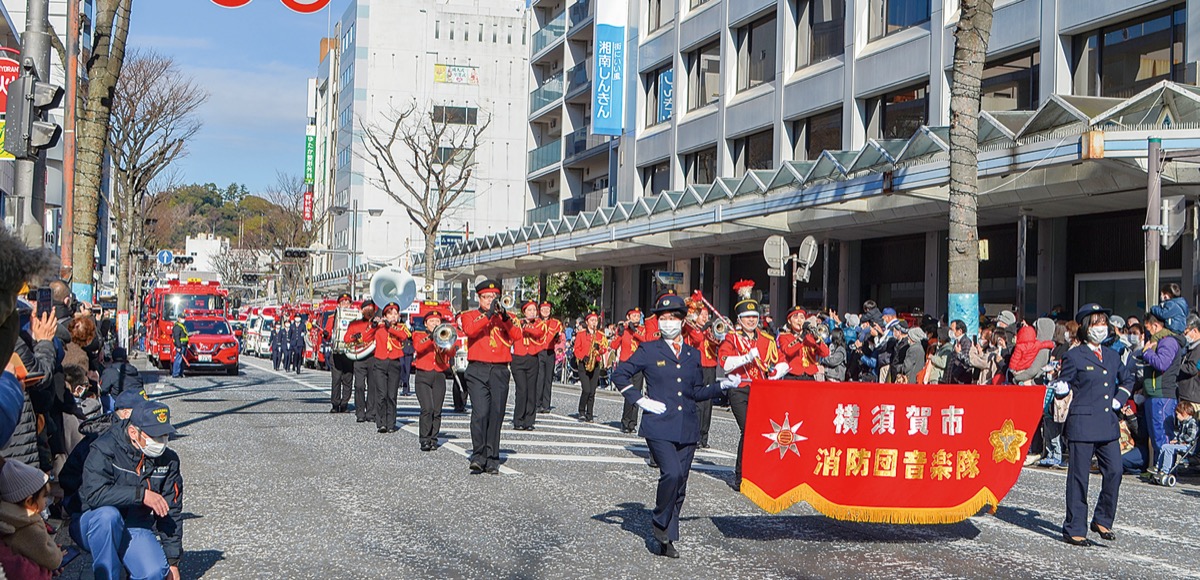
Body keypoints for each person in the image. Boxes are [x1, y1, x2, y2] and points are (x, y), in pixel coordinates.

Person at [611, 293, 741, 558]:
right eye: (663, 318)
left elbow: (695, 391)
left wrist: (722, 386)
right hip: (659, 425)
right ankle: (660, 521)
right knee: (670, 473)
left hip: (687, 426)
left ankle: (667, 538)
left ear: (682, 321)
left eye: (672, 317)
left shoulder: (693, 354)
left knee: (680, 484)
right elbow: (619, 374)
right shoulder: (649, 350)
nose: (667, 322)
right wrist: (640, 400)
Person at [1051, 303, 1133, 547]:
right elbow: (1064, 383)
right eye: (1097, 323)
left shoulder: (1112, 355)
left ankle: (1102, 519)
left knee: (1115, 471)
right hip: (1083, 423)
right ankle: (1075, 528)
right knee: (1079, 478)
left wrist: (1120, 399)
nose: (1101, 327)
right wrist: (1061, 389)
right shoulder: (1074, 355)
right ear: (1086, 327)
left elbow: (1128, 378)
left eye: (1104, 323)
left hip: (1107, 422)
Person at [79, 401, 183, 580]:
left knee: (155, 572)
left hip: (135, 523)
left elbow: (171, 511)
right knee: (108, 517)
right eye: (155, 436)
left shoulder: (168, 460)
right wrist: (141, 495)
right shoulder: (104, 448)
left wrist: (173, 561)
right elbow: (94, 495)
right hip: (95, 521)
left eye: (165, 435)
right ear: (133, 432)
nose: (161, 442)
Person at [718, 280, 780, 491]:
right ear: (739, 319)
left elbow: (779, 363)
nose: (751, 320)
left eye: (754, 316)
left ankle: (758, 472)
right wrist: (746, 357)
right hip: (739, 389)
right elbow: (725, 363)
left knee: (762, 431)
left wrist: (776, 373)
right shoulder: (732, 338)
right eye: (747, 317)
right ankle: (741, 475)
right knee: (748, 429)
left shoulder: (766, 339)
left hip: (761, 390)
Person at [459, 280, 522, 474]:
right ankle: (478, 455)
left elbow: (517, 336)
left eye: (493, 297)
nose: (490, 300)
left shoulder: (508, 317)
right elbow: (470, 330)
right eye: (486, 297)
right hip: (477, 369)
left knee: (496, 414)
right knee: (480, 413)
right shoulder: (469, 315)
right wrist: (488, 315)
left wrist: (503, 317)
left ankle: (493, 457)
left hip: (500, 370)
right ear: (479, 298)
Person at [0, 458, 61, 579]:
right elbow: (53, 560)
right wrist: (58, 553)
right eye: (44, 496)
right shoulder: (29, 526)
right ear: (29, 501)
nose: (46, 501)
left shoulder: (8, 518)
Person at [1138, 311, 1183, 470]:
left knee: (1162, 435)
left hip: (1163, 394)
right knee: (1155, 435)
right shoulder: (1157, 341)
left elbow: (1162, 363)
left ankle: (1166, 470)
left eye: (1148, 328)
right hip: (1153, 393)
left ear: (1156, 325)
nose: (1147, 333)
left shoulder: (1168, 341)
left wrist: (1147, 352)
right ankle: (1159, 468)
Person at [411, 308, 457, 451]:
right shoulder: (418, 334)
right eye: (432, 321)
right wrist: (431, 337)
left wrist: (447, 341)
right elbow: (418, 347)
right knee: (427, 408)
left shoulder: (444, 335)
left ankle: (433, 438)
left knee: (437, 410)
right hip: (423, 375)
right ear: (426, 324)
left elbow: (451, 352)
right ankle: (424, 438)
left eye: (437, 321)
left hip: (439, 374)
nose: (435, 323)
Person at [683, 291, 719, 448]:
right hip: (696, 366)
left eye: (706, 315)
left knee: (707, 403)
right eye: (702, 315)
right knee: (697, 402)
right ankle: (695, 434)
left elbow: (718, 342)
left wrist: (714, 331)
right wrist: (701, 328)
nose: (705, 318)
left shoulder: (710, 329)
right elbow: (697, 339)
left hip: (710, 366)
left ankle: (704, 436)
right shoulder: (690, 327)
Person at [370, 303, 410, 434]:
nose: (393, 316)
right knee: (381, 394)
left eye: (395, 314)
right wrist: (373, 325)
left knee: (392, 395)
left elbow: (404, 336)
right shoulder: (379, 327)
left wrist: (390, 328)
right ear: (384, 316)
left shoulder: (401, 327)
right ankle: (381, 422)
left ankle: (391, 423)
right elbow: (366, 337)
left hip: (394, 362)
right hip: (380, 362)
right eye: (390, 314)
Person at [510, 301, 546, 431]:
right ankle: (518, 419)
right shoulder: (517, 322)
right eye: (529, 310)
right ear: (524, 312)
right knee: (522, 390)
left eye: (534, 310)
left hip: (532, 358)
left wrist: (526, 326)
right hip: (518, 358)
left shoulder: (539, 324)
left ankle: (529, 421)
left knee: (532, 391)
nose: (532, 312)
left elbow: (538, 333)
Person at [615, 307, 649, 433]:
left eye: (638, 316)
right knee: (628, 393)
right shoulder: (623, 329)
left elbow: (645, 340)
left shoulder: (642, 329)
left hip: (639, 364)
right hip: (626, 363)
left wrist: (634, 330)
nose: (636, 318)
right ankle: (625, 421)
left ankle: (632, 423)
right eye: (634, 316)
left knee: (637, 393)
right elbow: (613, 345)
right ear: (628, 317)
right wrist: (619, 334)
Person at [344, 303, 378, 423]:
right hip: (359, 357)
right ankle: (360, 412)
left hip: (373, 356)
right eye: (366, 308)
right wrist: (354, 337)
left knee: (373, 386)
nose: (368, 310)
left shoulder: (377, 324)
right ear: (362, 310)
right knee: (359, 385)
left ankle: (371, 412)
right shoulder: (355, 324)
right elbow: (346, 338)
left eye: (371, 308)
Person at [776, 307, 829, 380]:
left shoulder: (810, 337)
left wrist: (817, 339)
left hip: (809, 376)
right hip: (792, 375)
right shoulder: (784, 336)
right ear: (789, 321)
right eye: (795, 317)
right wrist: (802, 337)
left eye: (802, 317)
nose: (799, 320)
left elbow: (825, 353)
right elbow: (788, 351)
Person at [573, 313, 607, 424]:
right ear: (587, 322)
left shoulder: (600, 335)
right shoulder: (581, 334)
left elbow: (604, 348)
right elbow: (576, 349)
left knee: (592, 391)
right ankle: (581, 411)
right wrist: (583, 357)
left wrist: (599, 349)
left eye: (595, 320)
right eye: (592, 320)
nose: (594, 323)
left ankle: (589, 414)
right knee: (586, 389)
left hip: (595, 364)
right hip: (584, 364)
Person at [325, 293, 355, 413]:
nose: (345, 305)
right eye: (343, 302)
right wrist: (326, 334)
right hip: (337, 352)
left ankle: (344, 404)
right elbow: (327, 333)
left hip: (349, 352)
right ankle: (335, 403)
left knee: (348, 379)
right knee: (336, 379)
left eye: (347, 302)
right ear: (339, 304)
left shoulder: (355, 317)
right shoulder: (333, 317)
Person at [1153, 401, 1197, 481]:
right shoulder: (1183, 423)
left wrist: (1178, 440)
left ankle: (1165, 470)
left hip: (1188, 447)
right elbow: (1180, 434)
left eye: (1178, 414)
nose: (1177, 416)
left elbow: (1190, 437)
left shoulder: (1192, 423)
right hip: (1182, 444)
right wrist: (1175, 439)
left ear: (1184, 413)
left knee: (1169, 449)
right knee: (1164, 446)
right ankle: (1158, 466)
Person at [536, 302, 562, 414]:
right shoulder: (536, 322)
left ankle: (546, 405)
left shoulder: (556, 323)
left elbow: (559, 339)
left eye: (548, 309)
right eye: (543, 309)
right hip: (539, 351)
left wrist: (557, 338)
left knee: (548, 379)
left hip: (550, 352)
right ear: (540, 311)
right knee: (539, 378)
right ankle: (537, 403)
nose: (546, 311)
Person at [99, 347, 141, 414]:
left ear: (112, 358)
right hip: (138, 402)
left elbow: (102, 390)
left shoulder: (110, 371)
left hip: (122, 404)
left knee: (101, 399)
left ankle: (109, 416)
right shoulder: (134, 370)